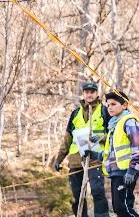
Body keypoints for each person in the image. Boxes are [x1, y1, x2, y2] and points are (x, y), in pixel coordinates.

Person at [52, 82, 110, 217]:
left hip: (95, 158)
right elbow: (67, 139)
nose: (89, 94)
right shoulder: (75, 113)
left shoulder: (105, 111)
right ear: (83, 94)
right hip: (75, 159)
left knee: (97, 191)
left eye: (92, 92)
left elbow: (113, 135)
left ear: (97, 94)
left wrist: (100, 138)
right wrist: (58, 159)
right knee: (76, 195)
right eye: (86, 92)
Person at [86, 92, 139, 217]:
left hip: (126, 171)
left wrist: (132, 170)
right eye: (108, 105)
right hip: (116, 172)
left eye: (113, 104)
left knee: (123, 208)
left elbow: (138, 147)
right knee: (119, 208)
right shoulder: (114, 125)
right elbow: (112, 153)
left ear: (124, 105)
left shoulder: (128, 122)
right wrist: (95, 155)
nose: (110, 107)